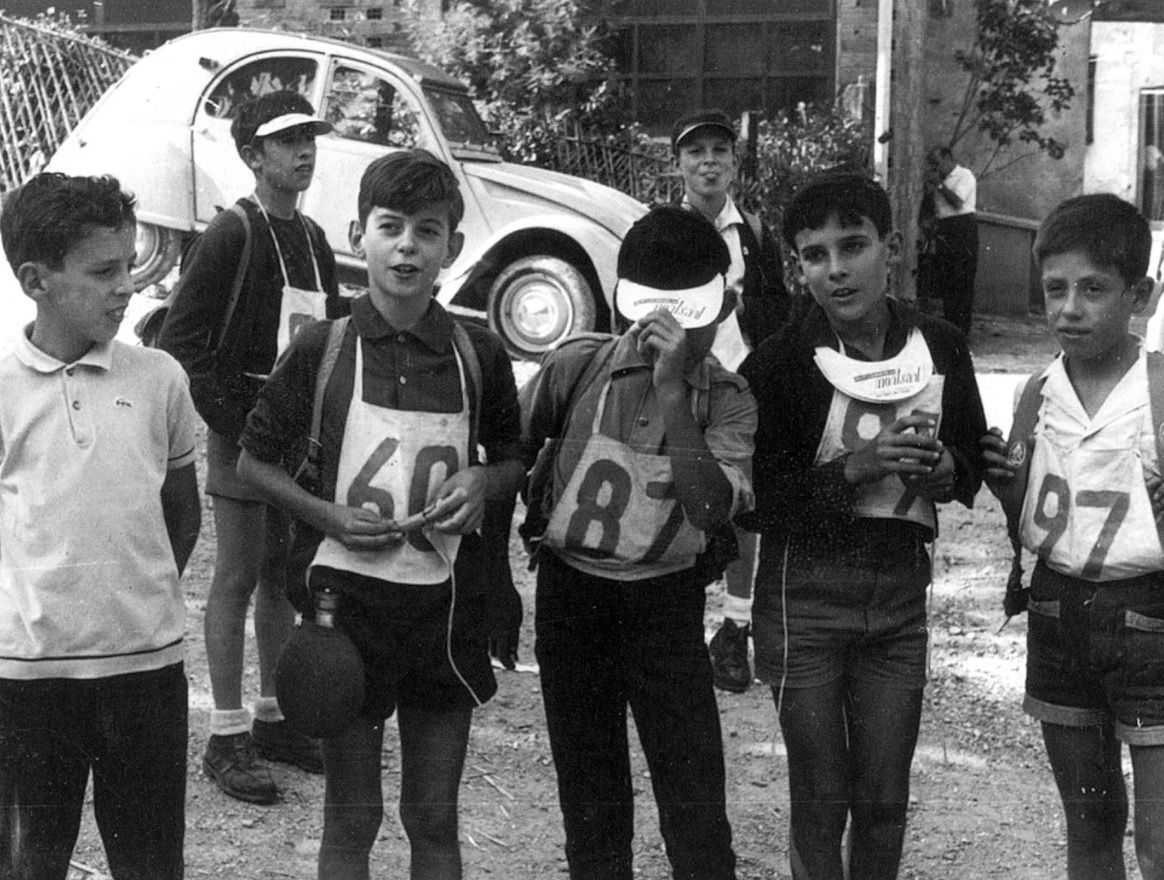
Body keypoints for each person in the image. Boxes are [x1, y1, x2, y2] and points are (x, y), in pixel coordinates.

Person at [236, 148, 525, 880]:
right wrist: (327, 515)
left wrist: (483, 480)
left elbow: (515, 458)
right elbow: (252, 462)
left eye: (427, 231)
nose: (407, 247)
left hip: (442, 608)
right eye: (390, 227)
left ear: (452, 246)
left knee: (433, 817)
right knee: (351, 816)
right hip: (346, 606)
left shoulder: (478, 353)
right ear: (357, 235)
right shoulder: (323, 346)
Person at [981, 193, 1164, 880]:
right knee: (1091, 828)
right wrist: (1004, 482)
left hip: (1161, 625)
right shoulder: (1034, 393)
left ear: (1139, 294)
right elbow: (1036, 511)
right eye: (1055, 290)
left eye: (1093, 290)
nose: (1070, 309)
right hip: (1057, 618)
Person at [0, 172, 202, 879]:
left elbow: (181, 518)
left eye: (129, 266)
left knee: (151, 860)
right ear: (37, 280)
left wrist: (129, 597)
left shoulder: (160, 380)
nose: (126, 287)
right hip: (29, 679)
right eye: (103, 271)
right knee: (30, 859)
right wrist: (43, 612)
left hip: (145, 669)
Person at [737, 173, 986, 880]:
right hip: (805, 601)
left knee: (883, 800)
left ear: (892, 248)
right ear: (797, 267)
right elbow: (752, 500)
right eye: (815, 255)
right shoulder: (780, 362)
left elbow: (969, 451)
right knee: (821, 799)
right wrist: (853, 468)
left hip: (898, 601)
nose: (836, 269)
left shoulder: (940, 345)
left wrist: (951, 471)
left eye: (853, 246)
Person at [520, 205, 756, 880]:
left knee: (695, 806)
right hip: (572, 599)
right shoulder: (576, 366)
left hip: (665, 605)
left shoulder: (728, 398)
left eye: (689, 313)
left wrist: (673, 393)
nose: (668, 331)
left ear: (723, 307)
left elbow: (709, 508)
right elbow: (510, 453)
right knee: (591, 803)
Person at [158, 90, 341, 803]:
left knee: (280, 577)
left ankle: (274, 718)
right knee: (236, 575)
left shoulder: (315, 239)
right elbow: (182, 341)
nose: (304, 151)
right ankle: (225, 735)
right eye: (287, 140)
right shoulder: (232, 233)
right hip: (242, 432)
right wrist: (238, 426)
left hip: (295, 439)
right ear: (252, 155)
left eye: (309, 138)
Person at [670, 108, 792, 693]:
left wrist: (753, 333)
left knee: (742, 499)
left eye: (719, 151)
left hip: (741, 384)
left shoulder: (755, 233)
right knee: (679, 493)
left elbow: (779, 308)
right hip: (682, 378)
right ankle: (676, 624)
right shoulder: (663, 229)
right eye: (696, 153)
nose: (709, 163)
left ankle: (734, 628)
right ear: (678, 164)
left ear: (734, 163)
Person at [923, 145, 979, 337]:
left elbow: (957, 202)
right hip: (944, 228)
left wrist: (939, 185)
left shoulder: (964, 175)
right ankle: (950, 330)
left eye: (938, 163)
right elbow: (930, 209)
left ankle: (962, 331)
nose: (936, 168)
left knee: (963, 279)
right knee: (947, 280)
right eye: (932, 165)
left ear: (948, 158)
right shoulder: (939, 180)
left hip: (963, 227)